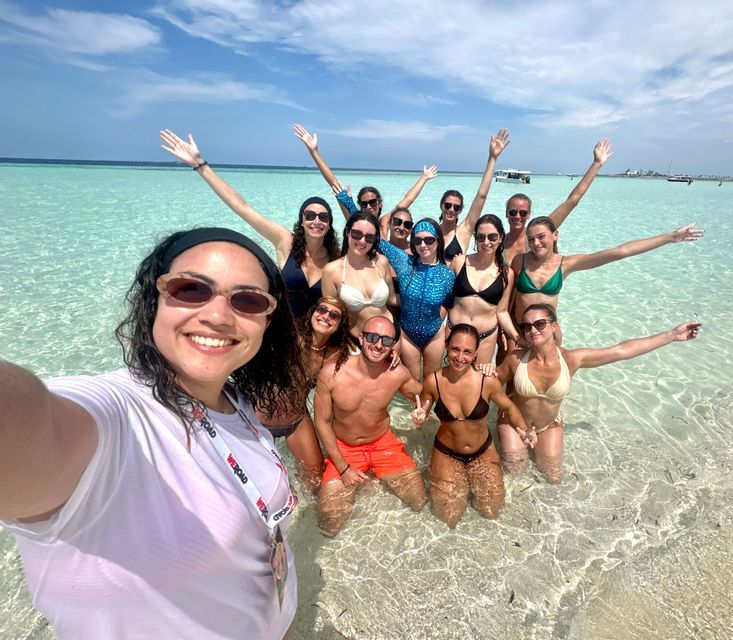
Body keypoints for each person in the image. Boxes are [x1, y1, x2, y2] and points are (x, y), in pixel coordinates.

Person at [0, 228, 309, 638]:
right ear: (154, 301)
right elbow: (29, 424)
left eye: (248, 300)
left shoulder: (236, 401)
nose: (218, 315)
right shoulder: (117, 415)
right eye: (191, 289)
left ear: (267, 323)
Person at [497, 303, 701, 483]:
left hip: (549, 424)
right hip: (514, 424)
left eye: (539, 324)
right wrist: (486, 371)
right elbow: (490, 385)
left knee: (553, 478)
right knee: (515, 473)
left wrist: (672, 335)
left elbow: (621, 351)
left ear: (554, 326)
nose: (533, 329)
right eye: (526, 326)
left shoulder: (572, 359)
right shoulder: (516, 359)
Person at [160, 129, 340, 318]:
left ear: (329, 224)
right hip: (284, 334)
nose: (316, 221)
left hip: (317, 339)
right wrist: (200, 164)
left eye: (323, 217)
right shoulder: (286, 242)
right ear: (301, 221)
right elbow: (242, 207)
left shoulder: (335, 258)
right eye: (310, 215)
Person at [313, 316, 427, 536]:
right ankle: (368, 477)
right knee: (329, 522)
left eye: (386, 340)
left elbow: (424, 395)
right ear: (362, 338)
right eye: (373, 337)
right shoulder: (332, 373)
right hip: (344, 449)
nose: (378, 345)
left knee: (419, 501)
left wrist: (422, 409)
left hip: (382, 443)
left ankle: (373, 475)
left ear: (393, 345)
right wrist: (344, 467)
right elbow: (322, 422)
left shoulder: (397, 373)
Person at [412, 324, 530, 527]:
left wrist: (523, 429)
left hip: (482, 451)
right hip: (447, 452)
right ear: (447, 346)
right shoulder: (434, 381)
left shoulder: (487, 381)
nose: (460, 357)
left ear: (476, 353)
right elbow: (424, 407)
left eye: (467, 352)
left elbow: (509, 408)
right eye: (455, 349)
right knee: (447, 516)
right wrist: (420, 417)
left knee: (491, 510)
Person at [510, 218, 704, 333]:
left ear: (555, 235)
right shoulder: (520, 261)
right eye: (531, 239)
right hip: (520, 329)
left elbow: (620, 251)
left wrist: (670, 237)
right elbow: (508, 299)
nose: (536, 243)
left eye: (541, 236)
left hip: (548, 331)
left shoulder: (566, 264)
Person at [259, 295, 355, 493]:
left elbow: (365, 360)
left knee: (315, 482)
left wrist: (391, 356)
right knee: (263, 482)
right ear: (313, 312)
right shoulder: (290, 337)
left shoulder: (333, 354)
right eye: (321, 310)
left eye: (334, 315)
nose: (326, 316)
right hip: (259, 420)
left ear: (339, 325)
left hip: (296, 419)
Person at [293, 123, 437, 223]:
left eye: (373, 202)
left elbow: (408, 200)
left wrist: (424, 178)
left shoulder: (385, 223)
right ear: (359, 205)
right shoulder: (354, 218)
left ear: (380, 203)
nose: (368, 207)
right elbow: (334, 183)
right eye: (364, 203)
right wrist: (314, 152)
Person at [502, 139, 613, 265]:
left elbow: (572, 201)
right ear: (506, 214)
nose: (517, 216)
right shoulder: (497, 243)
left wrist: (596, 164)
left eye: (522, 213)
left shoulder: (540, 234)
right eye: (512, 212)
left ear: (529, 214)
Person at [379, 219, 456, 377]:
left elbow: (449, 305)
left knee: (432, 383)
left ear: (438, 241)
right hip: (407, 335)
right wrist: (347, 201)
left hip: (434, 335)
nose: (423, 245)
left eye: (429, 240)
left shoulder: (447, 275)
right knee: (412, 383)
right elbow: (375, 238)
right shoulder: (404, 262)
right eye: (417, 240)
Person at [447, 214, 518, 363]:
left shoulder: (507, 274)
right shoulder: (459, 262)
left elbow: (502, 311)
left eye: (492, 237)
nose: (486, 242)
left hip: (485, 336)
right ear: (475, 237)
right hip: (454, 332)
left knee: (478, 381)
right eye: (481, 237)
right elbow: (444, 299)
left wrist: (517, 338)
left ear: (501, 238)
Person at [437, 129, 510, 262]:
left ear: (461, 210)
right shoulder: (431, 231)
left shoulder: (464, 230)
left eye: (456, 207)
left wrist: (492, 158)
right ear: (441, 205)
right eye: (448, 205)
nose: (451, 209)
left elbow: (481, 196)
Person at [321, 211, 395, 337]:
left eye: (369, 237)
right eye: (357, 234)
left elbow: (392, 299)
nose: (362, 241)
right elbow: (331, 313)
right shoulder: (332, 271)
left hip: (390, 336)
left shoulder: (381, 262)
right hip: (355, 340)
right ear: (347, 232)